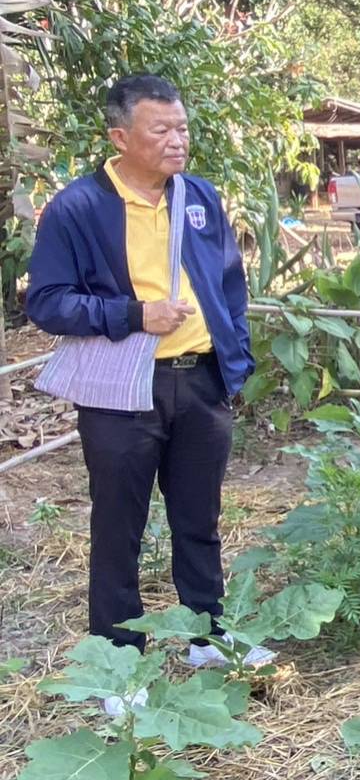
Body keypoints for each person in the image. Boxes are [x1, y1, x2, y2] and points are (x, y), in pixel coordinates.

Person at [27, 74, 264, 672]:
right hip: (122, 389)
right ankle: (118, 664)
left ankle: (209, 639)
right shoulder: (79, 208)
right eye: (160, 130)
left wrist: (233, 359)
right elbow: (48, 302)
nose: (177, 140)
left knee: (199, 520)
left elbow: (229, 284)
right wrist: (134, 315)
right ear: (120, 137)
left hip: (201, 383)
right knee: (118, 528)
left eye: (182, 128)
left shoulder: (198, 197)